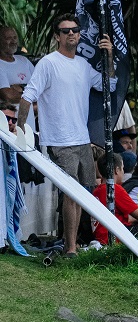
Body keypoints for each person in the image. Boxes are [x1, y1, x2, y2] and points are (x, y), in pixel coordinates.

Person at [18, 13, 117, 257]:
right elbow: (27, 96)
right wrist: (19, 130)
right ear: (57, 36)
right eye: (65, 31)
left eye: (75, 30)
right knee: (71, 193)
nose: (71, 33)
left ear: (80, 34)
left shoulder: (83, 65)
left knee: (81, 193)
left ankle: (68, 242)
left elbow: (109, 85)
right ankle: (71, 248)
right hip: (59, 140)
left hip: (82, 139)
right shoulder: (48, 63)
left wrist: (109, 56)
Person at [0, 26, 34, 105]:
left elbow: (41, 86)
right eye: (8, 38)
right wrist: (32, 92)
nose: (13, 41)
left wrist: (21, 88)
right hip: (10, 112)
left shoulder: (24, 60)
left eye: (15, 37)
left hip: (30, 111)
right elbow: (9, 96)